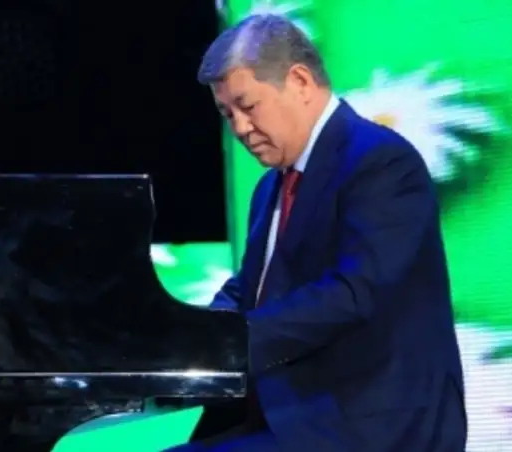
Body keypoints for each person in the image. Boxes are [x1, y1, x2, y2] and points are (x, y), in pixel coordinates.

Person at [166, 14, 466, 452]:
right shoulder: (270, 187)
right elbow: (251, 290)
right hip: (292, 419)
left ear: (300, 82)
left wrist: (231, 344)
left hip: (368, 425)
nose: (240, 128)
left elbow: (352, 293)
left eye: (248, 107)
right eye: (227, 114)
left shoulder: (381, 161)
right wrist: (192, 338)